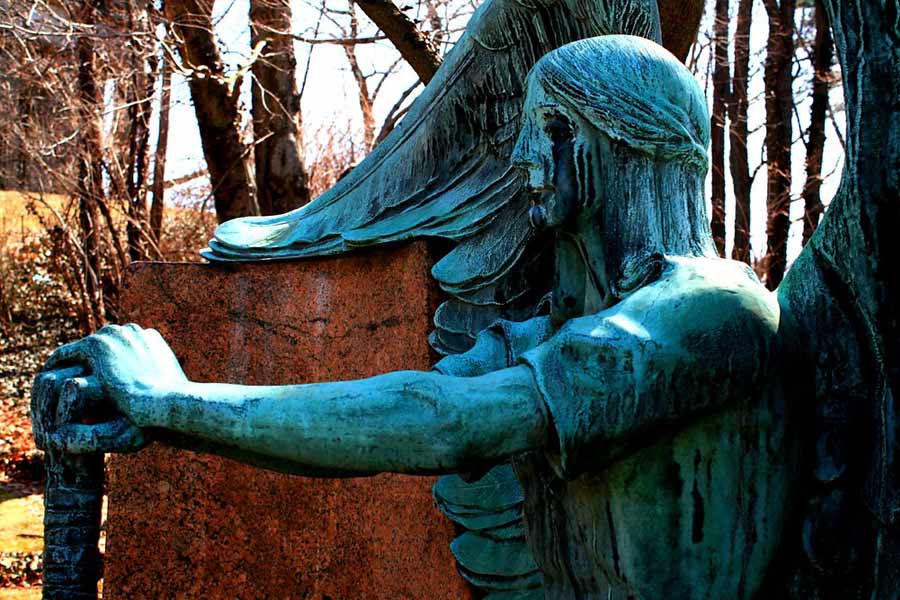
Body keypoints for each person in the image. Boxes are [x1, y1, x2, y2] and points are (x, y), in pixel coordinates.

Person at [33, 36, 794, 599]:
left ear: (616, 140)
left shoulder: (714, 313)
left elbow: (447, 421)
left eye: (547, 126)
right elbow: (375, 423)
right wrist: (163, 415)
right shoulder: (554, 333)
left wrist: (174, 399)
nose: (521, 157)